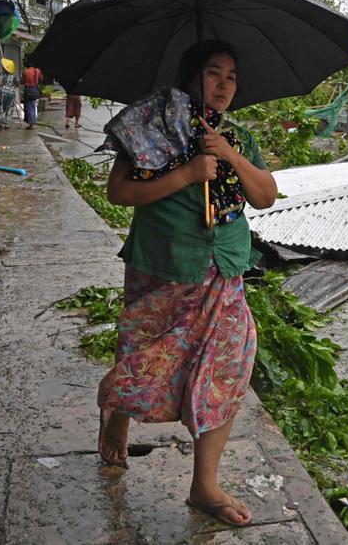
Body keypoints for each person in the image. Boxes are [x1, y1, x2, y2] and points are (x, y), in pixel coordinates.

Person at [96, 40, 276, 528]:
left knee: (229, 366)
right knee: (145, 356)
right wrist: (187, 173)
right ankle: (118, 406)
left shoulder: (236, 137)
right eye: (213, 73)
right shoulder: (149, 127)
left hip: (224, 268)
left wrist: (227, 157)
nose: (223, 85)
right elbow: (119, 192)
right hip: (164, 263)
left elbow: (266, 196)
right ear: (189, 77)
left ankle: (204, 484)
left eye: (232, 77)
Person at [20, 64, 43, 129]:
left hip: (28, 90)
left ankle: (31, 124)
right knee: (33, 106)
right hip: (35, 90)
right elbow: (41, 79)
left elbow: (21, 82)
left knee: (28, 107)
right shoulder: (37, 71)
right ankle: (32, 123)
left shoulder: (25, 71)